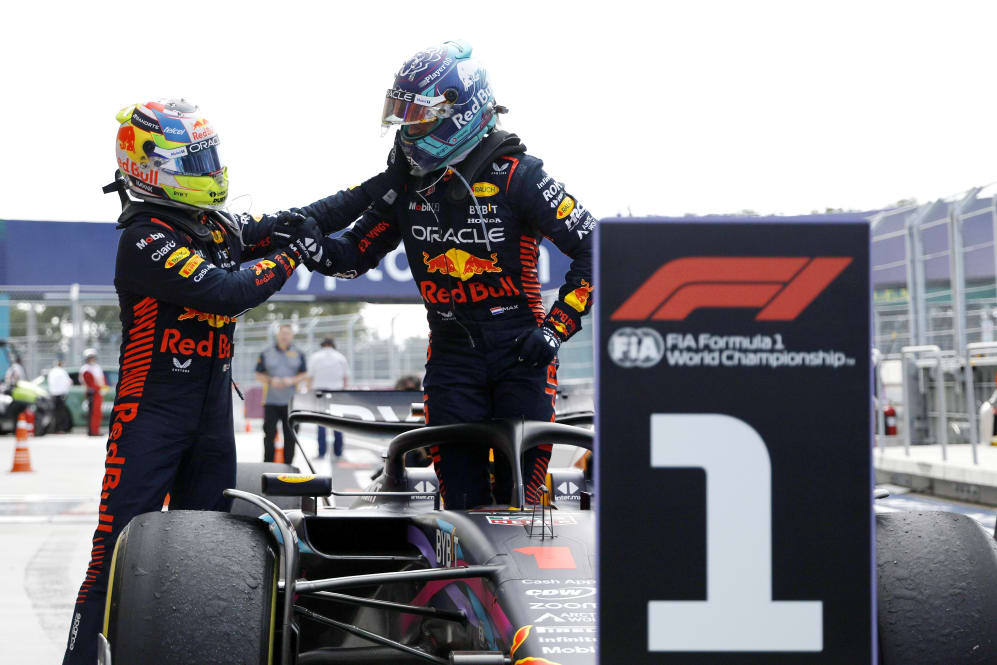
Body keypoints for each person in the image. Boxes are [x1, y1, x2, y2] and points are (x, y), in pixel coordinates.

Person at [62, 97, 358, 665]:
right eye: (196, 162)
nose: (211, 171)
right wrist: (293, 252)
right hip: (148, 418)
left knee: (207, 555)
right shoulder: (142, 238)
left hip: (209, 423)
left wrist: (389, 180)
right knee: (113, 554)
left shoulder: (216, 226)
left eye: (210, 158)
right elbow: (228, 292)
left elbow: (309, 212)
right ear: (154, 168)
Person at [293, 41, 597, 509]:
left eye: (420, 117)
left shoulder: (520, 175)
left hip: (522, 348)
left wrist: (555, 330)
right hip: (452, 352)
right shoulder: (406, 181)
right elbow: (354, 253)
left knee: (526, 496)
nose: (409, 129)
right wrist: (310, 247)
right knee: (460, 499)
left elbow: (596, 247)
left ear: (461, 110)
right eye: (404, 117)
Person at [255, 324, 308, 464]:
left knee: (291, 436)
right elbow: (258, 374)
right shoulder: (266, 353)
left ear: (292, 336)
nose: (285, 336)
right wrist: (271, 380)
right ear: (278, 335)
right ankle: (267, 465)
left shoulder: (299, 354)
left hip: (291, 403)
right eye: (282, 333)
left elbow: (304, 374)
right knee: (269, 435)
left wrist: (292, 380)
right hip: (271, 401)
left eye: (288, 333)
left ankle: (288, 467)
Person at [308, 337, 350, 458]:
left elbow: (310, 377)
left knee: (321, 422)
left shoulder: (315, 357)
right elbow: (345, 377)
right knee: (337, 422)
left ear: (322, 345)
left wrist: (310, 393)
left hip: (320, 392)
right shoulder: (340, 357)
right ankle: (338, 452)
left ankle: (321, 452)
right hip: (337, 392)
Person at [79, 349, 106, 436]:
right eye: (89, 357)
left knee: (97, 412)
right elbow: (85, 381)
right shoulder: (85, 369)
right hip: (92, 392)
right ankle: (93, 431)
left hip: (98, 391)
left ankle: (95, 430)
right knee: (92, 412)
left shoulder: (97, 367)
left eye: (93, 357)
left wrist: (103, 389)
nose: (91, 359)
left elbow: (101, 380)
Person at [47, 359, 73, 433]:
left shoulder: (52, 372)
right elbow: (68, 382)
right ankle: (61, 429)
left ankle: (54, 428)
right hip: (61, 395)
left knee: (54, 413)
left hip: (53, 395)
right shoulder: (63, 372)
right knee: (61, 413)